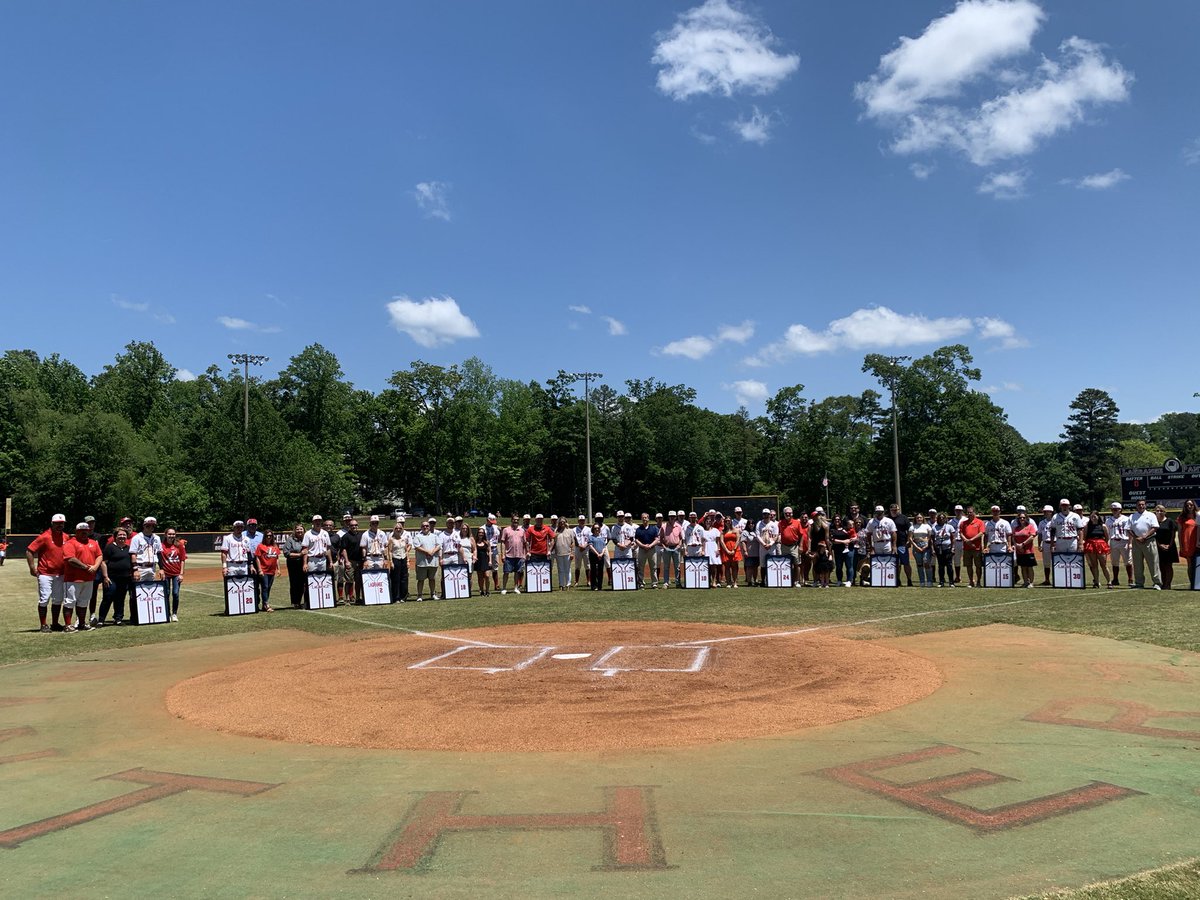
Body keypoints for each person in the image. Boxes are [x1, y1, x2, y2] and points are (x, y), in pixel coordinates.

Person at [26, 513, 68, 632]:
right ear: (52, 523)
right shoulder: (44, 536)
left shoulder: (66, 537)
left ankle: (55, 623)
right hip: (45, 573)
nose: (59, 525)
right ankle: (43, 624)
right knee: (44, 599)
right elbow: (29, 551)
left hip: (60, 573)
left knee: (58, 599)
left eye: (62, 523)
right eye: (57, 523)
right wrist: (32, 567)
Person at [62, 522, 103, 632]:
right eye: (81, 531)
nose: (84, 533)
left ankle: (82, 624)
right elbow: (70, 559)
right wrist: (86, 567)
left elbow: (99, 555)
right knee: (70, 601)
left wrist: (95, 566)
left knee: (84, 601)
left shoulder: (93, 543)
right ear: (76, 532)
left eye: (86, 530)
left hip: (89, 578)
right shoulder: (70, 543)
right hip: (73, 578)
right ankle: (68, 625)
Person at [96, 528, 134, 626]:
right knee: (108, 597)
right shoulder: (110, 547)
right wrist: (105, 577)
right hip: (111, 578)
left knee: (120, 599)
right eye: (120, 535)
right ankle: (101, 620)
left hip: (125, 578)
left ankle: (118, 618)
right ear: (115, 537)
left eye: (124, 535)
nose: (122, 537)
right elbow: (103, 563)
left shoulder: (128, 548)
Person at [1129, 499, 1162, 590]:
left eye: (1143, 504)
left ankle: (1157, 583)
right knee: (1137, 564)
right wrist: (1136, 537)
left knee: (1153, 563)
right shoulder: (1132, 516)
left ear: (1145, 505)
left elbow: (1155, 527)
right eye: (1139, 504)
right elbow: (1128, 529)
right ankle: (1139, 583)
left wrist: (1144, 536)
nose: (1141, 506)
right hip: (1137, 542)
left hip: (1149, 541)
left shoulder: (1151, 515)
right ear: (1136, 506)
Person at [301, 516, 333, 606]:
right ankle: (308, 602)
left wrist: (330, 561)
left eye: (319, 521)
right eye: (316, 521)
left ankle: (321, 601)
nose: (318, 523)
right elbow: (305, 549)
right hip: (312, 559)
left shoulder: (325, 533)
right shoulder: (308, 534)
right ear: (313, 522)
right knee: (310, 581)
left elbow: (328, 549)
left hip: (322, 559)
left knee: (322, 581)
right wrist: (305, 563)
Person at [160, 526, 188, 620]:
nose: (171, 535)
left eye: (173, 534)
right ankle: (167, 613)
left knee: (175, 593)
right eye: (169, 534)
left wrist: (181, 574)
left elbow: (183, 560)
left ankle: (174, 613)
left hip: (176, 573)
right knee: (166, 594)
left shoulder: (179, 545)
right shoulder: (161, 545)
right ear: (165, 535)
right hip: (166, 573)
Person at [864, 505, 897, 584]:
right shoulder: (871, 521)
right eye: (877, 512)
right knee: (877, 563)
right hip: (876, 543)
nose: (879, 514)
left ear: (883, 512)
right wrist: (871, 547)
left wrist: (894, 545)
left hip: (887, 542)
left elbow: (894, 533)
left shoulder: (889, 521)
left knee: (889, 562)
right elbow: (868, 534)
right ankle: (878, 580)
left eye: (880, 512)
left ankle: (889, 580)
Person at [1080, 511, 1112, 589]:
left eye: (1094, 516)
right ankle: (1096, 582)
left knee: (1103, 565)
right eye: (1091, 517)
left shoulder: (1103, 526)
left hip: (1101, 545)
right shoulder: (1087, 526)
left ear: (1098, 517)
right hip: (1091, 545)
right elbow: (1084, 537)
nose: (1093, 518)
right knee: (1094, 565)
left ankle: (1109, 582)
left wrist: (1105, 544)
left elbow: (1107, 537)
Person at [412, 519, 441, 601]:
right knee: (420, 580)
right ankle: (419, 596)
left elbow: (439, 546)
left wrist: (432, 552)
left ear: (429, 527)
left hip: (433, 561)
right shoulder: (417, 536)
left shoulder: (434, 536)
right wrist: (428, 552)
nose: (425, 527)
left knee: (432, 579)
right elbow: (417, 547)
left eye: (427, 526)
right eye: (423, 526)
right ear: (421, 527)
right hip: (422, 562)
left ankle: (433, 594)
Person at [1105, 502, 1133, 587]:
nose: (1114, 511)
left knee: (1128, 561)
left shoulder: (1126, 519)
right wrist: (1108, 543)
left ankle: (1130, 579)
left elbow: (1130, 531)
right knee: (1114, 561)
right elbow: (1107, 533)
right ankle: (1115, 579)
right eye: (1113, 509)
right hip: (1113, 541)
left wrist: (1130, 543)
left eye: (1116, 509)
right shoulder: (1108, 520)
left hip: (1124, 541)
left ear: (1120, 510)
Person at [958, 506, 986, 588]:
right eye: (968, 512)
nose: (969, 514)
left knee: (978, 566)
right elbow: (961, 533)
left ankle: (978, 582)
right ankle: (971, 581)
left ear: (974, 512)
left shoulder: (980, 522)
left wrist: (971, 540)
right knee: (968, 566)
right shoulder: (963, 523)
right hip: (967, 548)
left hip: (976, 548)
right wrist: (966, 540)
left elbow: (981, 533)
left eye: (971, 512)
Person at [254, 530, 280, 611]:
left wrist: (278, 569)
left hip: (271, 571)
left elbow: (277, 558)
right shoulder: (260, 546)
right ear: (264, 537)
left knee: (268, 587)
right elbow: (257, 558)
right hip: (264, 570)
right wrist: (259, 569)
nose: (269, 537)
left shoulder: (275, 546)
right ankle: (266, 604)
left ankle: (265, 604)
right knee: (264, 587)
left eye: (270, 536)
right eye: (267, 536)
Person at [500, 514, 526, 595]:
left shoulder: (522, 530)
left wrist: (524, 554)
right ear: (511, 520)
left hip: (519, 555)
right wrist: (503, 554)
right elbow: (503, 543)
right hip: (509, 555)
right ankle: (504, 588)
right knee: (506, 572)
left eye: (517, 520)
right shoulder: (506, 530)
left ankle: (516, 587)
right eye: (514, 520)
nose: (516, 521)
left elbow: (524, 543)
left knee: (517, 572)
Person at [1155, 504, 1179, 590]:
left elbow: (1173, 535)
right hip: (1158, 547)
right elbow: (1154, 535)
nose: (1159, 512)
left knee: (1168, 566)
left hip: (1170, 547)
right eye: (1157, 511)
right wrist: (1159, 545)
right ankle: (1163, 583)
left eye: (1161, 511)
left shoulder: (1170, 521)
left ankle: (1168, 584)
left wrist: (1169, 545)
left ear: (1165, 512)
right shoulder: (1154, 522)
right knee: (1161, 566)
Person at [889, 504, 914, 587]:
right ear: (890, 510)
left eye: (896, 509)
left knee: (906, 563)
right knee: (896, 563)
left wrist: (909, 540)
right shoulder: (887, 518)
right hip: (890, 544)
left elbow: (910, 529)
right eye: (893, 510)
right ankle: (897, 579)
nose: (895, 511)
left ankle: (909, 580)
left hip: (902, 544)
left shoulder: (903, 518)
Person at [1011, 510, 1038, 588]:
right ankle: (1025, 582)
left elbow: (1032, 537)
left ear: (1026, 518)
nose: (1022, 519)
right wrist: (1017, 545)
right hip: (1019, 551)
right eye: (1020, 518)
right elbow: (1013, 538)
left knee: (1029, 567)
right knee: (1023, 567)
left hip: (1028, 551)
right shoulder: (1016, 528)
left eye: (1023, 517)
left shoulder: (1030, 526)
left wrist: (1022, 544)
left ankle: (1031, 582)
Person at [778, 507, 803, 587]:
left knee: (796, 564)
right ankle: (787, 581)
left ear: (792, 514)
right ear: (784, 514)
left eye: (789, 513)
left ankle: (796, 581)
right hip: (784, 546)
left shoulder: (797, 522)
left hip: (794, 546)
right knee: (785, 564)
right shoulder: (780, 523)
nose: (788, 515)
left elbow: (801, 535)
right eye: (786, 513)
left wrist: (801, 546)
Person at [341, 518, 364, 603]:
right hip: (350, 561)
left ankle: (358, 598)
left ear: (357, 526)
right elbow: (343, 550)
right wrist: (347, 561)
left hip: (360, 561)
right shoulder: (346, 536)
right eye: (352, 525)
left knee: (358, 581)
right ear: (349, 526)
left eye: (355, 525)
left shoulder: (361, 535)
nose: (354, 527)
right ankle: (347, 598)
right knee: (349, 581)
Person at [388, 519, 412, 602]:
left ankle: (403, 596)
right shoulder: (391, 539)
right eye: (396, 528)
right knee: (395, 579)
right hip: (396, 559)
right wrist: (391, 562)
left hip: (403, 559)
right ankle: (396, 597)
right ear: (394, 529)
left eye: (400, 528)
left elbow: (406, 551)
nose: (398, 530)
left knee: (404, 578)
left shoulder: (403, 539)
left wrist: (408, 560)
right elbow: (390, 551)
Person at [635, 513, 660, 589]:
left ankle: (654, 583)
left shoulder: (653, 528)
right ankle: (641, 583)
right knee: (641, 567)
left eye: (646, 518)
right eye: (643, 518)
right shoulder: (639, 529)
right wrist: (643, 545)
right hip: (642, 550)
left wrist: (650, 545)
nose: (644, 519)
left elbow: (657, 539)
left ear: (648, 519)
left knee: (653, 567)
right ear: (641, 519)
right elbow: (636, 540)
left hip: (651, 550)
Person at [909, 513, 933, 587]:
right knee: (919, 564)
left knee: (926, 563)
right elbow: (910, 538)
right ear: (915, 519)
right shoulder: (912, 527)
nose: (919, 519)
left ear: (923, 518)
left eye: (920, 518)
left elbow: (930, 537)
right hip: (917, 546)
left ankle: (929, 581)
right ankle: (922, 581)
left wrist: (926, 546)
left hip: (926, 546)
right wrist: (916, 547)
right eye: (917, 518)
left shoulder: (927, 526)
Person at [756, 508, 778, 586]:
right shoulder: (759, 523)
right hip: (762, 546)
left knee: (772, 563)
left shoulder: (774, 524)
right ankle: (763, 581)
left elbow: (775, 535)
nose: (765, 516)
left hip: (771, 546)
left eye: (767, 514)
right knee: (763, 564)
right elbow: (757, 535)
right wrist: (763, 544)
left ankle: (772, 580)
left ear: (769, 515)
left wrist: (770, 544)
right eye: (764, 514)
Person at [1179, 500, 1198, 590]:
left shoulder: (1198, 515)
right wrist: (1181, 545)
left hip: (1197, 542)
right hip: (1188, 543)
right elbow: (1179, 533)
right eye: (1187, 505)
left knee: (1197, 564)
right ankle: (1192, 583)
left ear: (1194, 505)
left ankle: (1198, 583)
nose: (1189, 506)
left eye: (1191, 505)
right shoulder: (1182, 517)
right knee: (1190, 565)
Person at [933, 513, 955, 587]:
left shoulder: (949, 526)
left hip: (948, 548)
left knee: (949, 565)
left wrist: (953, 547)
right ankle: (941, 582)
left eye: (943, 518)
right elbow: (932, 539)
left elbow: (953, 538)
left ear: (945, 519)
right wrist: (933, 548)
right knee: (941, 566)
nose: (941, 519)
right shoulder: (934, 527)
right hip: (939, 548)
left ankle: (951, 582)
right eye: (940, 518)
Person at [553, 517, 574, 591]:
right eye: (560, 522)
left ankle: (568, 584)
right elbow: (554, 541)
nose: (562, 523)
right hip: (559, 553)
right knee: (560, 570)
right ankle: (561, 585)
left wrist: (572, 553)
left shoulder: (570, 531)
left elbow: (572, 543)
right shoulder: (556, 531)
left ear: (566, 522)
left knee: (567, 569)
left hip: (567, 553)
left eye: (563, 522)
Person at [703, 514, 723, 588]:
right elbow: (702, 541)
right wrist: (702, 550)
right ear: (704, 522)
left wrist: (718, 549)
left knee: (714, 566)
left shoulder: (715, 530)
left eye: (709, 521)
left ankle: (714, 581)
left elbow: (718, 541)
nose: (708, 522)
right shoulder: (702, 531)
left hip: (713, 548)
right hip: (706, 548)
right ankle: (707, 581)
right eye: (707, 521)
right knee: (706, 566)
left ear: (712, 522)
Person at [1037, 505, 1055, 585]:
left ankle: (1058, 579)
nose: (1044, 513)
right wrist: (1039, 544)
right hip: (1046, 543)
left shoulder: (1055, 521)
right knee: (1046, 563)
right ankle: (1047, 580)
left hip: (1055, 543)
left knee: (1057, 562)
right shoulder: (1041, 522)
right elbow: (1040, 534)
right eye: (1044, 511)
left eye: (1046, 511)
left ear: (1051, 512)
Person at [721, 517, 742, 588]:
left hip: (735, 550)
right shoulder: (723, 531)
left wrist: (734, 549)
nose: (727, 522)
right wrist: (726, 550)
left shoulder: (736, 530)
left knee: (734, 567)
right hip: (726, 550)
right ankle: (728, 583)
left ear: (731, 521)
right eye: (726, 521)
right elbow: (721, 541)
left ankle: (735, 582)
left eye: (729, 521)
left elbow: (738, 540)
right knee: (727, 567)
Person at [740, 515, 760, 587]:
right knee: (749, 567)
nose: (751, 525)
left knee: (755, 567)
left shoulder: (756, 532)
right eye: (749, 523)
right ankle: (749, 581)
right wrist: (745, 551)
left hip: (757, 553)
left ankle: (755, 580)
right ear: (747, 525)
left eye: (752, 523)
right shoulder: (745, 532)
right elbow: (743, 542)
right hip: (749, 553)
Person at [587, 523, 608, 591]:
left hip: (601, 555)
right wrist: (597, 554)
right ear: (593, 529)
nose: (597, 529)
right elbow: (590, 546)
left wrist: (601, 553)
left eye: (598, 528)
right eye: (595, 528)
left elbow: (604, 546)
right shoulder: (591, 537)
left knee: (600, 571)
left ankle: (599, 586)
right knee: (593, 570)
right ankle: (594, 586)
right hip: (593, 555)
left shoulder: (602, 537)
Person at [571, 514, 589, 589]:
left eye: (583, 520)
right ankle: (576, 581)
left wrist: (585, 546)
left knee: (587, 565)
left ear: (585, 521)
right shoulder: (574, 529)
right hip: (577, 549)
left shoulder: (588, 529)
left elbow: (590, 539)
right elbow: (573, 540)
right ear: (578, 521)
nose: (582, 521)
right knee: (577, 566)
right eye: (580, 520)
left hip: (586, 549)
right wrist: (579, 546)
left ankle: (589, 581)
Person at [950, 505, 966, 585]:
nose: (958, 511)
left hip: (964, 542)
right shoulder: (951, 521)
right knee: (956, 561)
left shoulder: (966, 520)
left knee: (968, 560)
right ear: (954, 511)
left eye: (959, 510)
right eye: (957, 510)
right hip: (956, 542)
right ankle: (958, 577)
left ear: (962, 511)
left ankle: (971, 578)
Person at [474, 526, 492, 595]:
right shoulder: (475, 542)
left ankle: (487, 590)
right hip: (478, 561)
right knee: (480, 577)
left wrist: (490, 561)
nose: (481, 534)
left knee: (487, 576)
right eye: (479, 533)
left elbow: (489, 552)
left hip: (486, 560)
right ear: (477, 533)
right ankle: (481, 590)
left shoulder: (487, 542)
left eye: (482, 533)